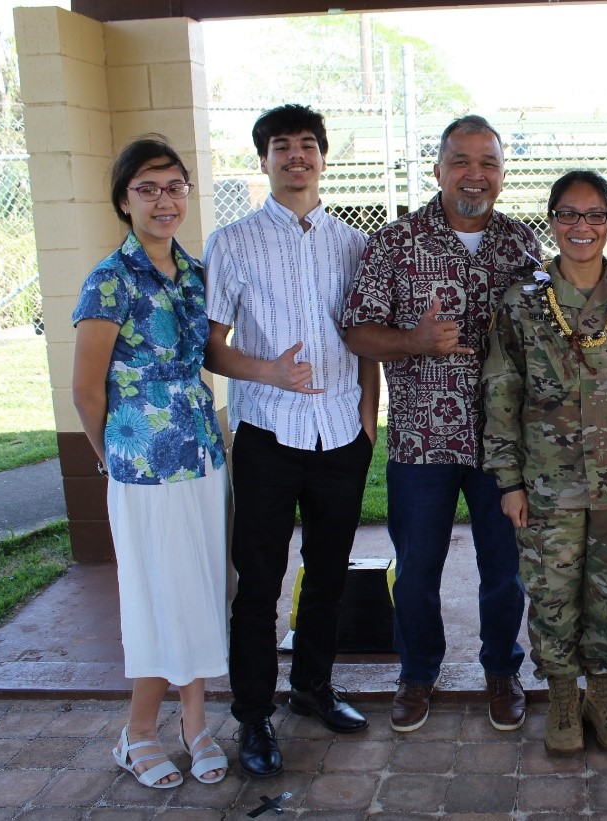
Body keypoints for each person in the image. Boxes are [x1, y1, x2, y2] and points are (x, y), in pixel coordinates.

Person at [344, 115, 538, 734]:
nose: (474, 175)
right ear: (437, 169)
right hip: (423, 438)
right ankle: (417, 674)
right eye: (461, 161)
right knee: (418, 565)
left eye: (488, 163)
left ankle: (502, 670)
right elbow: (357, 330)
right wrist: (416, 340)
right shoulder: (395, 242)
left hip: (503, 447)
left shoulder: (522, 246)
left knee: (503, 568)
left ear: (502, 176)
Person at [204, 104, 378, 778]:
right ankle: (253, 714)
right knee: (259, 583)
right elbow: (212, 347)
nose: (296, 156)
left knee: (328, 575)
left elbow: (364, 337)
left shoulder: (352, 243)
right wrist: (269, 369)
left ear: (324, 158)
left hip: (340, 434)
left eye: (308, 145)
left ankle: (312, 687)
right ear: (265, 160)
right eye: (282, 146)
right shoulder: (233, 241)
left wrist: (368, 415)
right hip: (268, 435)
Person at [482, 170, 607, 756]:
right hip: (548, 482)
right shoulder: (522, 302)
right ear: (552, 222)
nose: (581, 227)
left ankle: (605, 694)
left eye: (594, 215)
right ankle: (564, 697)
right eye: (568, 214)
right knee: (552, 590)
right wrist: (509, 480)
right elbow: (501, 390)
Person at [72, 135, 229, 789]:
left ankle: (195, 723)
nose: (164, 200)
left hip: (202, 461)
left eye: (174, 187)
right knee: (154, 599)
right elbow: (86, 389)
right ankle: (137, 730)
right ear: (123, 201)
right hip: (143, 471)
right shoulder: (109, 280)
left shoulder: (196, 276)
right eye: (147, 189)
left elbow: (209, 359)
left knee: (197, 591)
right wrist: (114, 460)